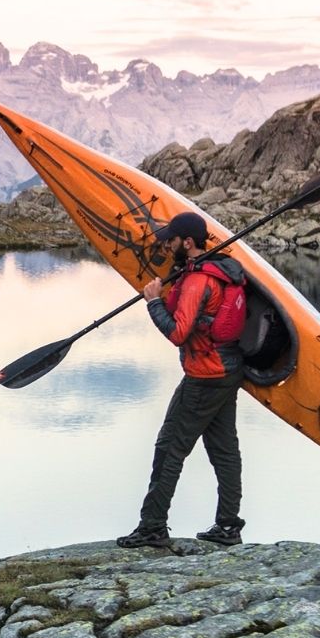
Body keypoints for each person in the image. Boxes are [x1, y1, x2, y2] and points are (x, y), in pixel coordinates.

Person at [117, 211, 246, 548]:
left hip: (204, 375)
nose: (167, 244)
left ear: (187, 242)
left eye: (171, 240)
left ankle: (152, 527)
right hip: (228, 371)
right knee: (224, 450)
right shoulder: (215, 270)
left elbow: (178, 332)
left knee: (169, 448)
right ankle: (229, 526)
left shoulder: (198, 281)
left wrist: (154, 303)